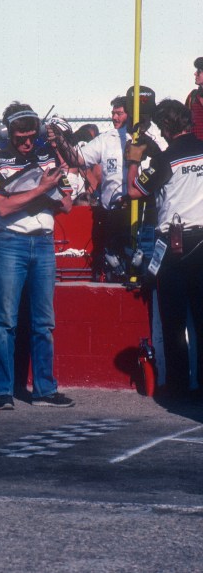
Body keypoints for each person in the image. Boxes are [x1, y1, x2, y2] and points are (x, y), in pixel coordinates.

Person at [0, 102, 75, 410]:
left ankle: (44, 390)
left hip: (45, 242)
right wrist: (40, 190)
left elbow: (66, 205)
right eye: (20, 137)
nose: (26, 142)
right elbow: (2, 207)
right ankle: (3, 391)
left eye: (31, 136)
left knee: (44, 321)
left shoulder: (47, 155)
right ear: (9, 133)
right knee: (6, 320)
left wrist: (52, 190)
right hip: (11, 242)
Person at [125, 99, 203, 398]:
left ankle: (180, 387)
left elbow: (134, 190)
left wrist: (134, 157)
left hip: (176, 246)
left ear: (167, 128)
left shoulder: (166, 160)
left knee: (173, 322)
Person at [77, 97, 132, 280]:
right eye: (113, 113)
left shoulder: (143, 140)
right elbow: (79, 159)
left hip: (136, 215)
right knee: (112, 265)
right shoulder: (105, 139)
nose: (115, 117)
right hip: (111, 214)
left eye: (119, 113)